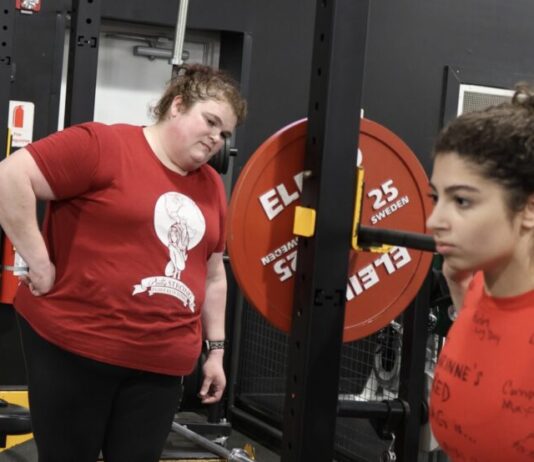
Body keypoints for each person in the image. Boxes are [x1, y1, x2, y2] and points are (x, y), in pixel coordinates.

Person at [0, 63, 247, 462]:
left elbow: (214, 275)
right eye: (211, 122)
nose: (216, 139)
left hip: (161, 365)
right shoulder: (103, 145)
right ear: (177, 106)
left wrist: (215, 352)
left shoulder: (212, 187)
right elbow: (10, 178)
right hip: (78, 349)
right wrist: (39, 262)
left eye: (224, 133)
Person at [426, 84, 534, 461]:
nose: (434, 220)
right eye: (436, 198)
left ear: (529, 208)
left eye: (462, 201)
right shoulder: (476, 289)